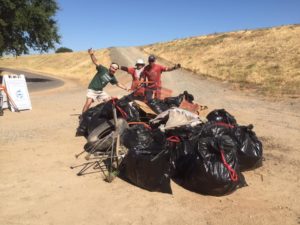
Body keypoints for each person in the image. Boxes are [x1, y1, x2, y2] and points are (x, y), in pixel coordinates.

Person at [82, 48, 129, 113]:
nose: (113, 69)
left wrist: (126, 88)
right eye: (112, 67)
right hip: (92, 89)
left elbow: (118, 84)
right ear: (110, 67)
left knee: (110, 100)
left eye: (115, 69)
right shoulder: (103, 69)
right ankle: (83, 116)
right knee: (88, 103)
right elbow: (96, 62)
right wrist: (92, 54)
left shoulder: (112, 77)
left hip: (100, 91)